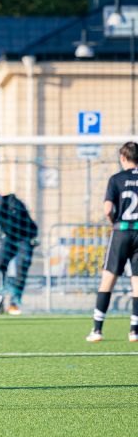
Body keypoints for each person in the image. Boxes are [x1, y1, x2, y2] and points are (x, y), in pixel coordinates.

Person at [88, 141, 138, 343]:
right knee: (137, 282)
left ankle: (97, 330)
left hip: (121, 232)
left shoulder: (116, 179)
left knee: (108, 278)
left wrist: (113, 222)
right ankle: (134, 331)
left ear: (123, 158)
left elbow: (108, 209)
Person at [0, 188, 38, 316]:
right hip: (9, 239)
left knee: (22, 265)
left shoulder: (12, 201)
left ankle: (14, 302)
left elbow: (16, 219)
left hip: (25, 237)